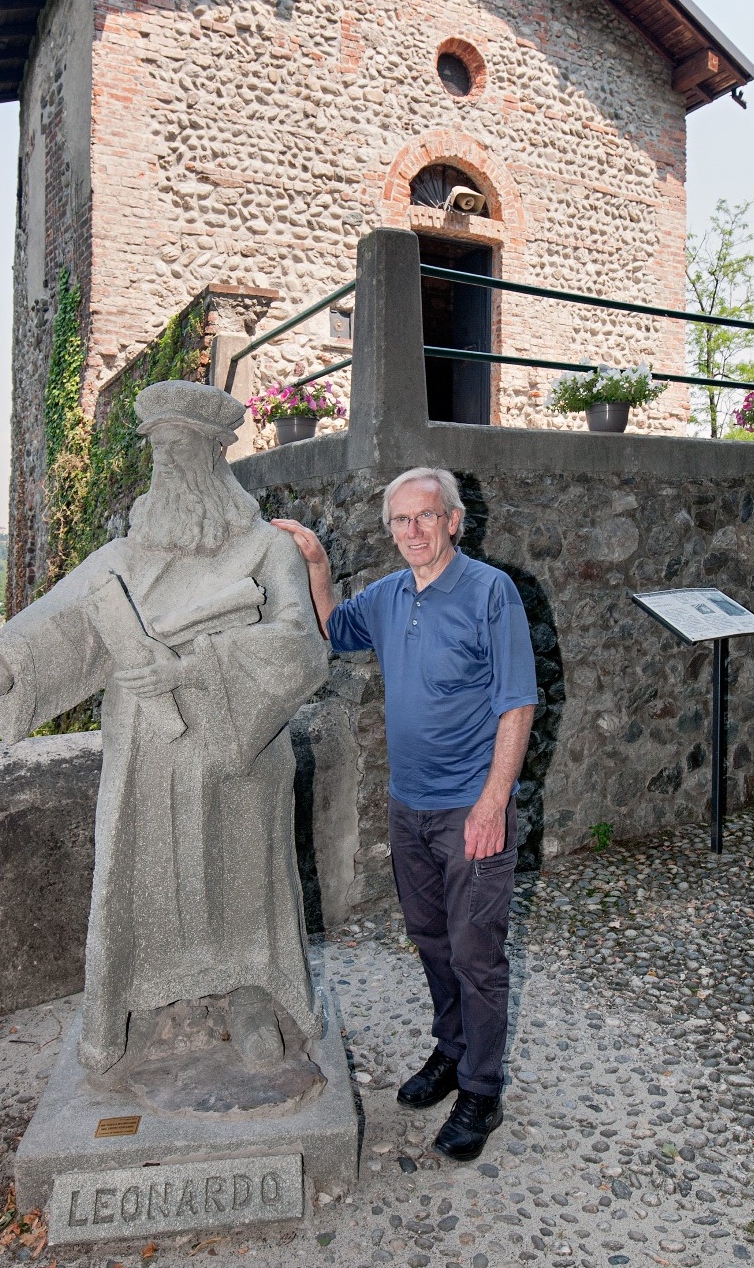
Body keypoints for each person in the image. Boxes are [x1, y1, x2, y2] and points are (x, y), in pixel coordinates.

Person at [0, 381, 329, 1080]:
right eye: (158, 454)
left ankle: (251, 996)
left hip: (236, 753)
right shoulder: (129, 555)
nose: (167, 469)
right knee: (146, 879)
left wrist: (191, 668)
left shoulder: (265, 552)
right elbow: (65, 623)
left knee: (240, 875)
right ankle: (151, 992)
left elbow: (301, 647)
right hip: (146, 754)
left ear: (217, 456)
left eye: (181, 451)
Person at [274, 467, 537, 1161]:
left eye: (424, 517)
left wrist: (492, 804)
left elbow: (517, 704)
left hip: (469, 808)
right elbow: (332, 627)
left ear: (454, 520)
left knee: (478, 953)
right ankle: (451, 1052)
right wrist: (318, 566)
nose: (411, 532)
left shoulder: (491, 592)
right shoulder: (390, 597)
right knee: (431, 938)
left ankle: (482, 1089)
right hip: (409, 805)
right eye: (399, 521)